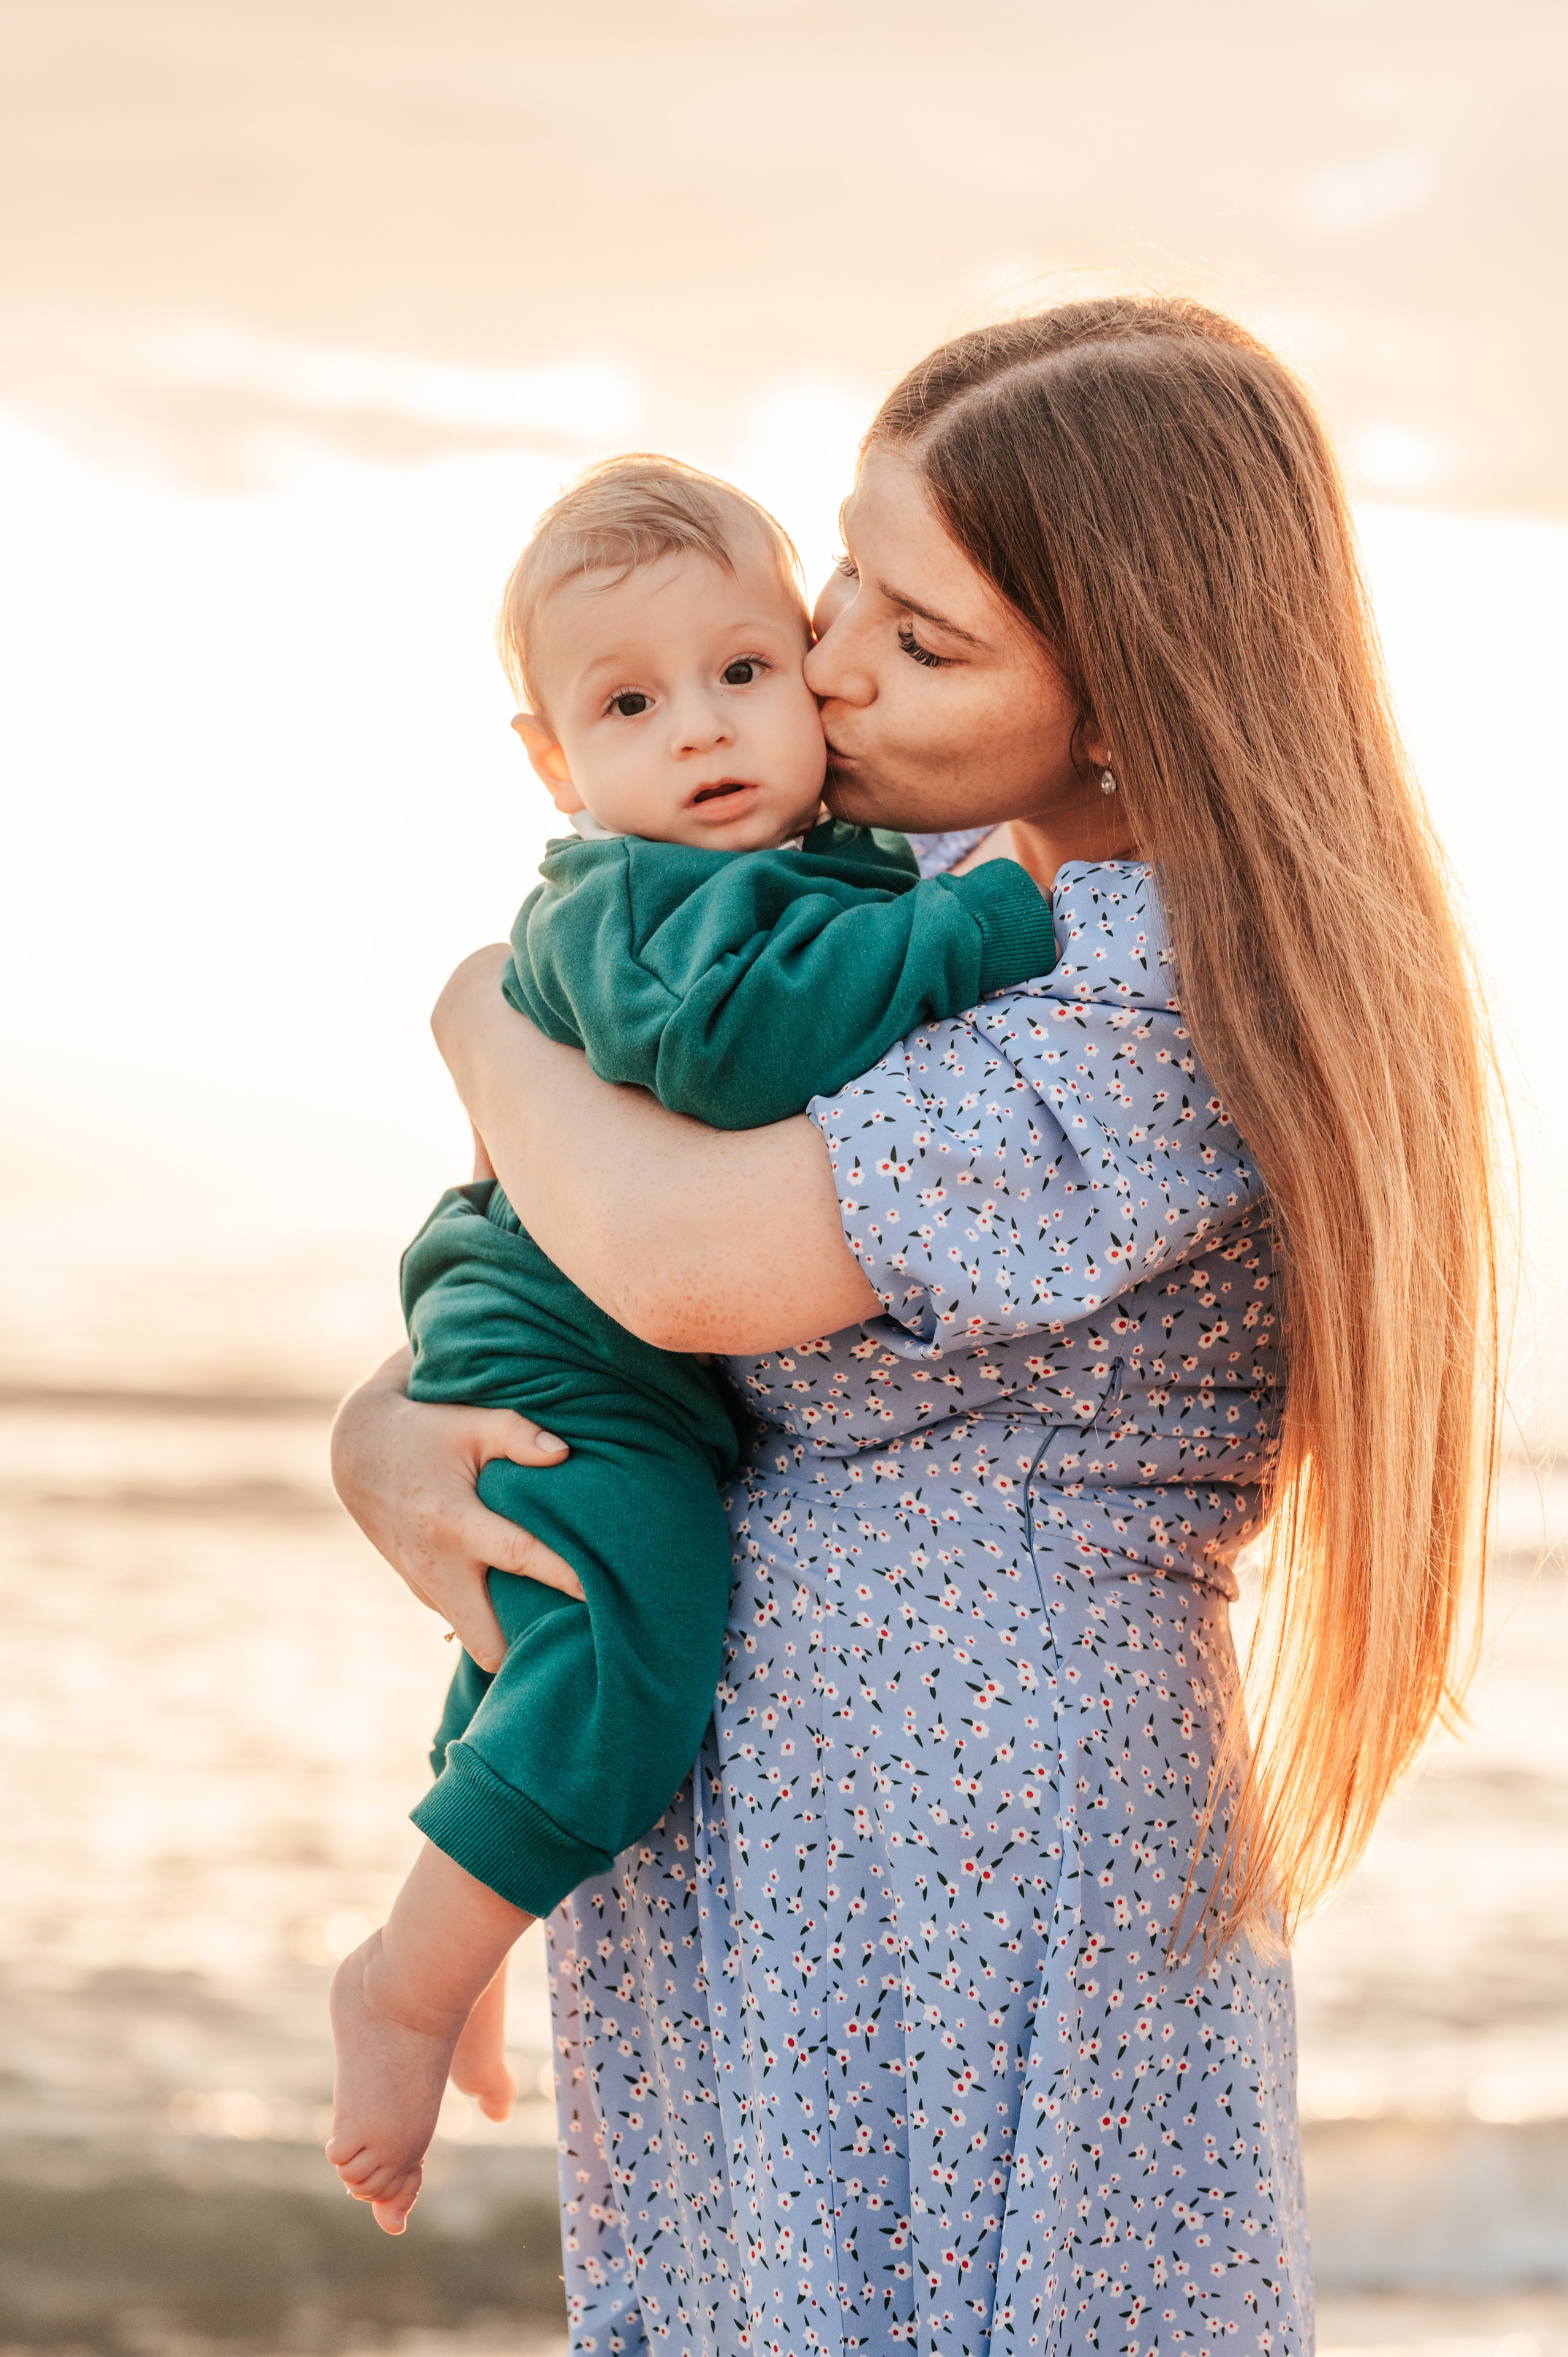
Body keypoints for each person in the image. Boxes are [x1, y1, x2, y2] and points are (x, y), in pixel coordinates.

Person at [332, 296, 1499, 2355]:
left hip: (998, 1821)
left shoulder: (1163, 988)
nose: (836, 663)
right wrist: (387, 1438)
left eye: (929, 643)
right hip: (762, 1796)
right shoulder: (913, 873)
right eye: (850, 577)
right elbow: (578, 1280)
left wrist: (474, 1013)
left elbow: (688, 1256)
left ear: (1133, 700)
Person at [325, 454, 1057, 2231]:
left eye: (748, 669)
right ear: (554, 763)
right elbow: (739, 1051)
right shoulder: (630, 904)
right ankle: (406, 1979)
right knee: (635, 1639)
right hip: (574, 1348)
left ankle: (473, 1912)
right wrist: (974, 922)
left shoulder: (796, 859)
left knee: (549, 1630)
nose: (708, 730)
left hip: (571, 1329)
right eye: (633, 704)